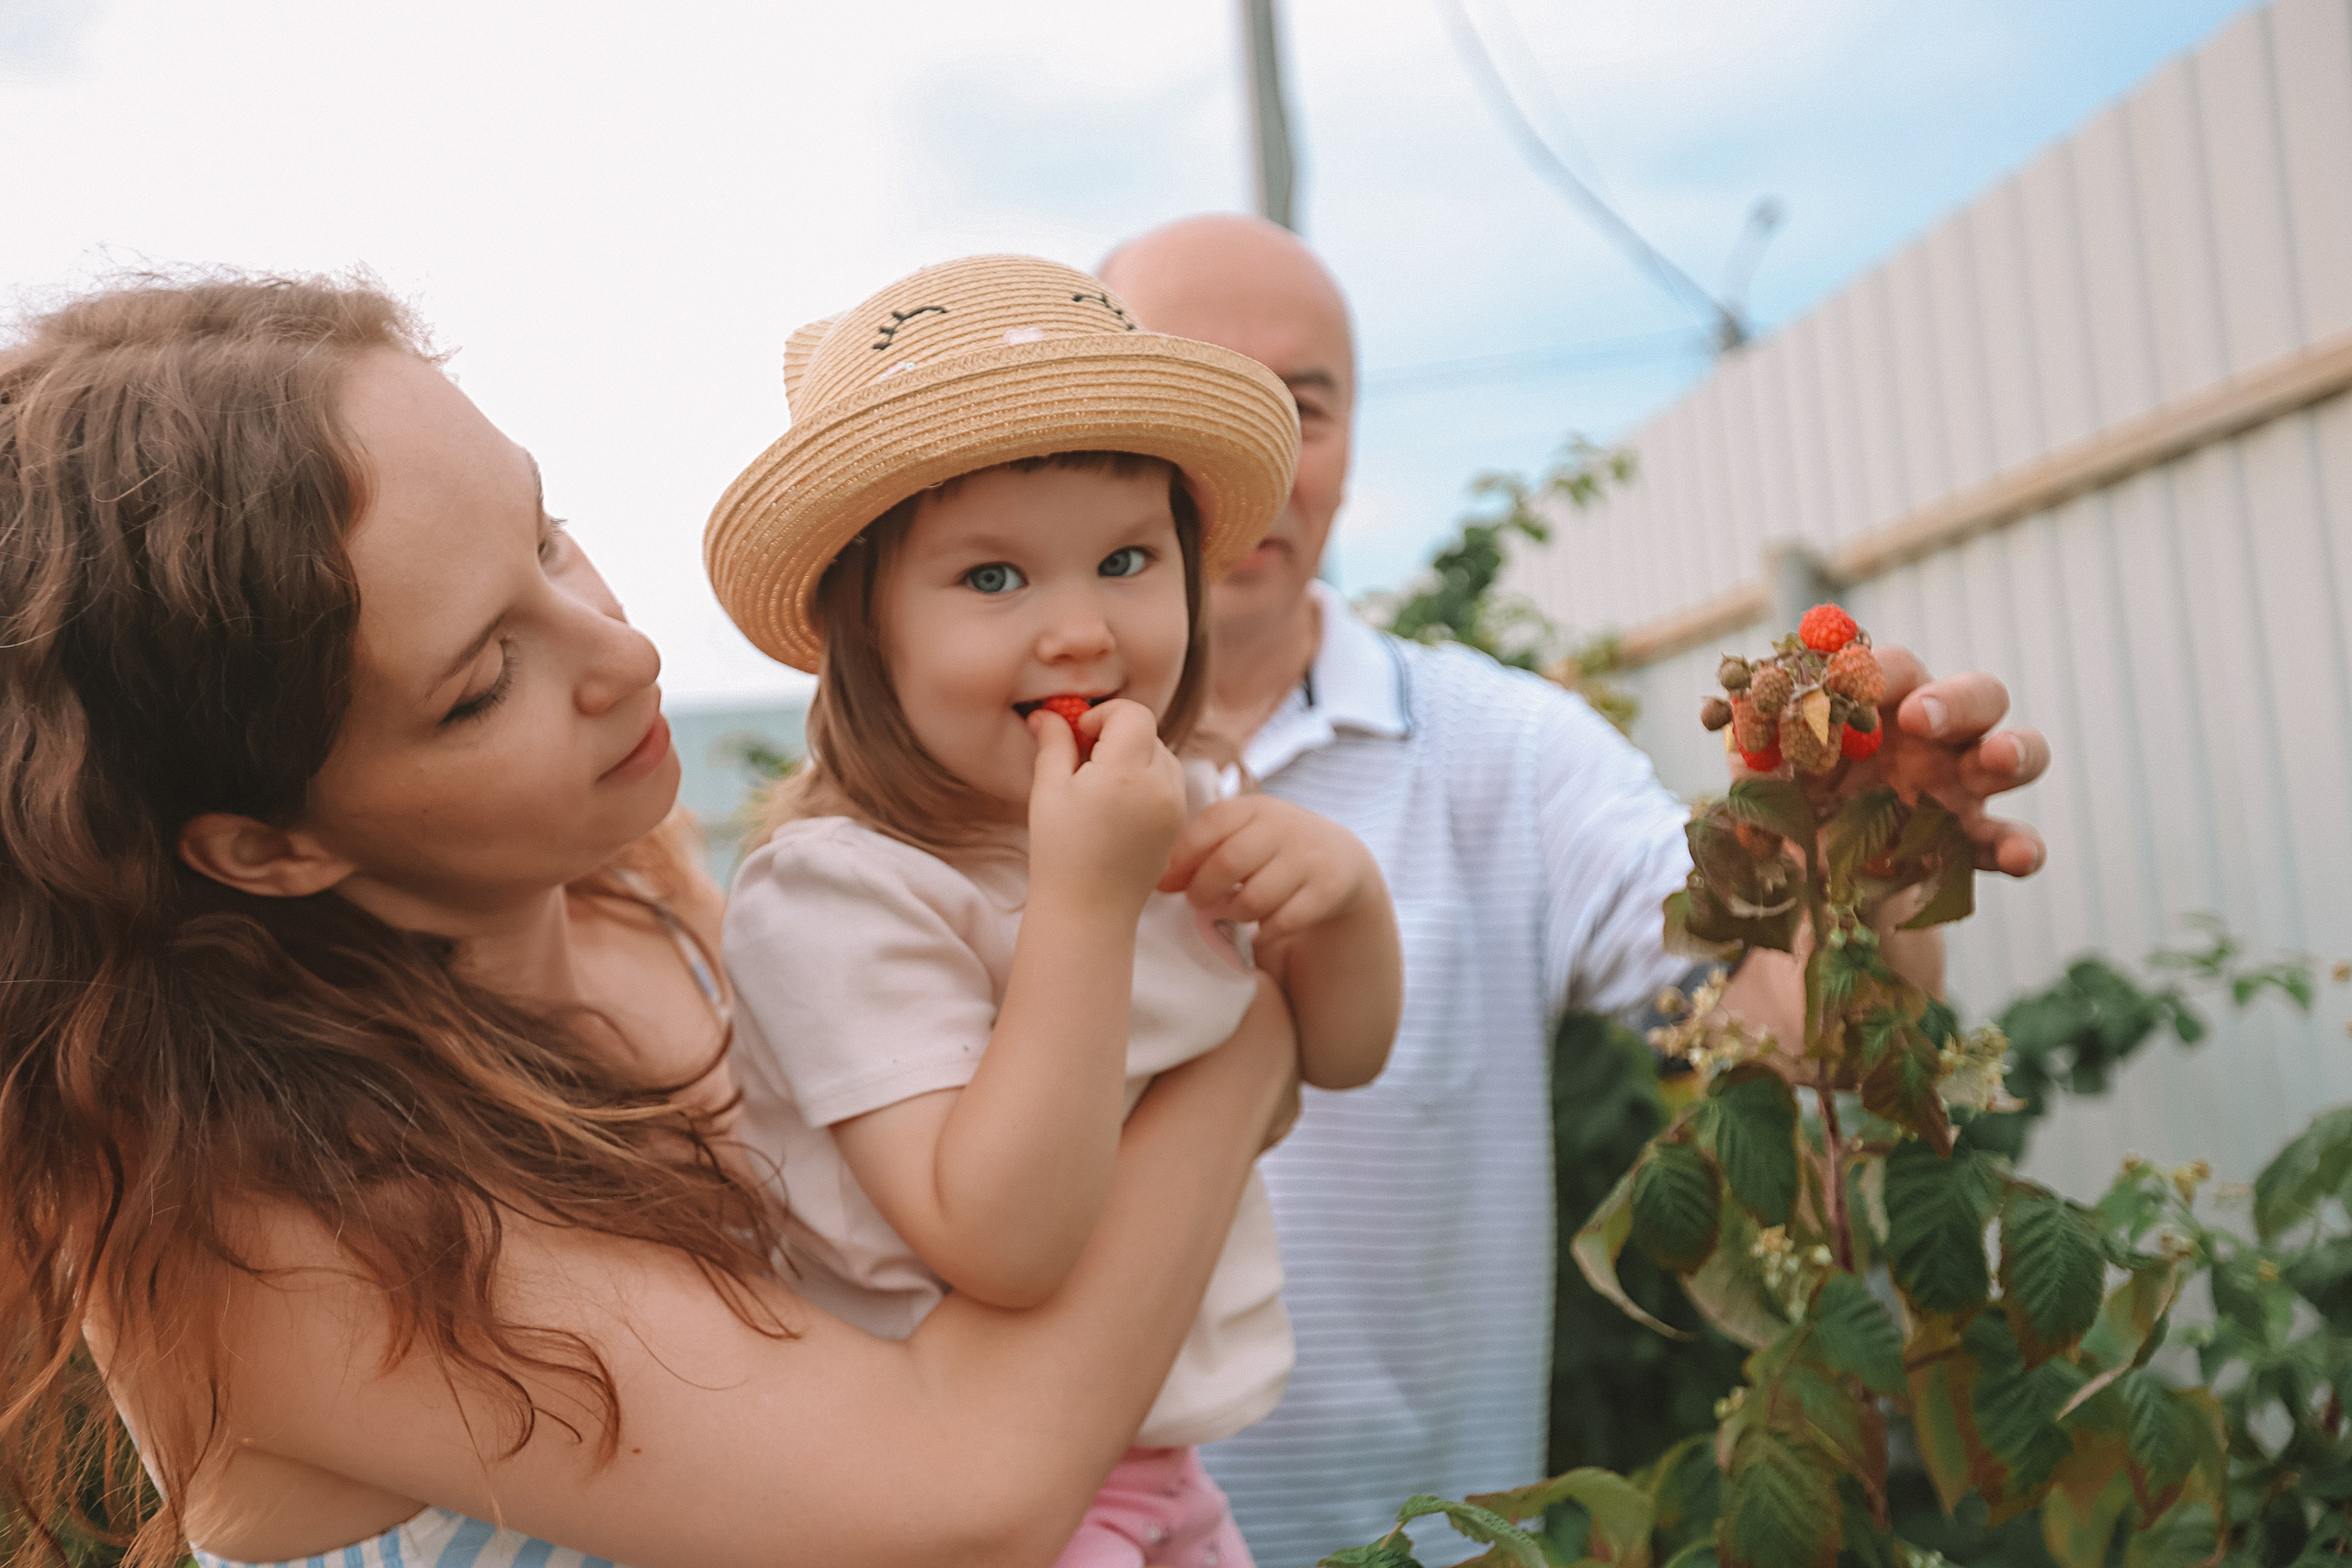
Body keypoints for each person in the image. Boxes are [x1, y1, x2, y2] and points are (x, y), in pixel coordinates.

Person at [0, 274, 1301, 1568]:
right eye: (486, 681)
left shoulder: (644, 899)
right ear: (267, 847)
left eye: (548, 535)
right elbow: (959, 1488)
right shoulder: (273, 1219)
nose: (625, 656)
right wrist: (1246, 1041)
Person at [1097, 213, 2055, 1564]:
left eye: (1299, 406)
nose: (1253, 452)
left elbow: (1796, 1036)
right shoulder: (981, 782)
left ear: (1354, 442)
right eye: (1200, 392)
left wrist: (1866, 878)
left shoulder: (1502, 751)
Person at [701, 254, 1403, 1568]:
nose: (1080, 630)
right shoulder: (841, 894)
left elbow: (1338, 1051)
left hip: (1154, 1471)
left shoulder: (1165, 803)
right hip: (969, 1501)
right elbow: (1003, 1240)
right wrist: (1088, 900)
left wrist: (1348, 907)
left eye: (1127, 560)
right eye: (992, 579)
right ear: (867, 631)